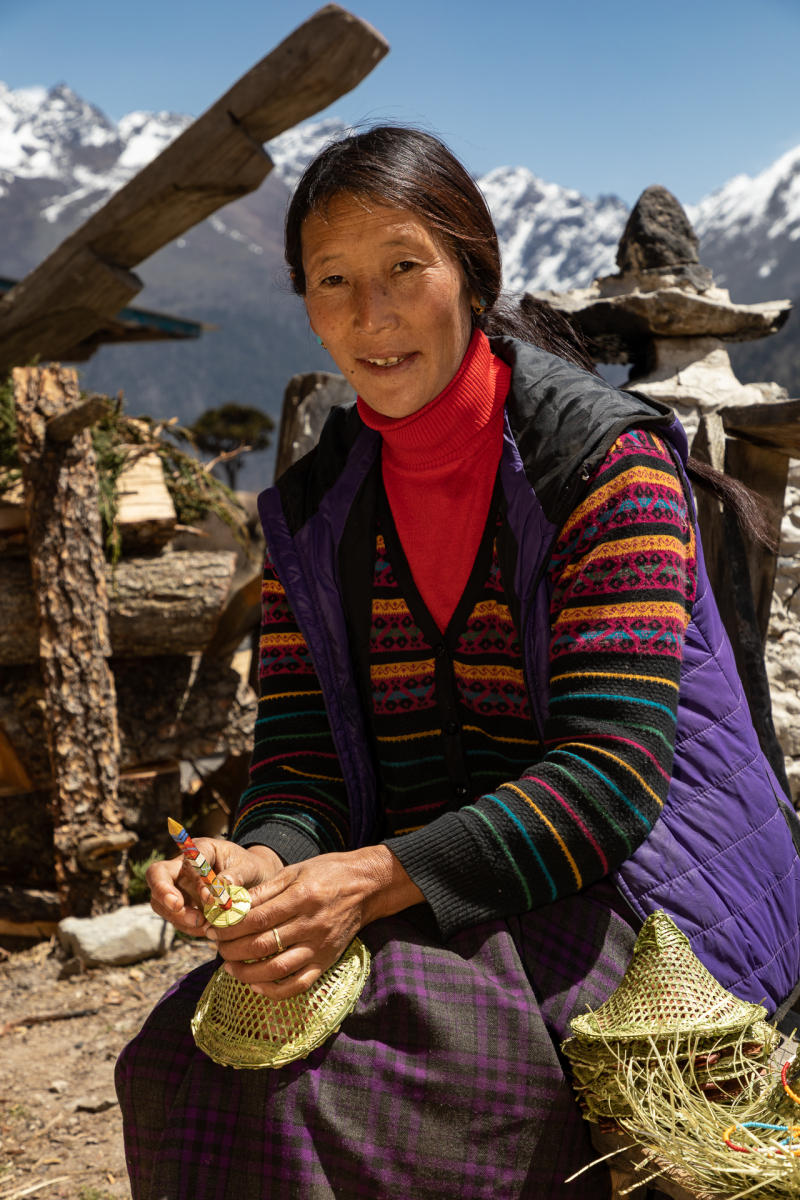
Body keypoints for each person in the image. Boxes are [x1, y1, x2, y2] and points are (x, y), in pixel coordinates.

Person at [117, 126, 800, 1199]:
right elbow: (301, 759)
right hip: (427, 888)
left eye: (402, 268)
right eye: (331, 280)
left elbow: (611, 779)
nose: (369, 314)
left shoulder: (599, 467)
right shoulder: (313, 517)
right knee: (179, 1060)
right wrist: (260, 860)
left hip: (639, 890)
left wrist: (374, 878)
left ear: (470, 273)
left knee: (332, 1089)